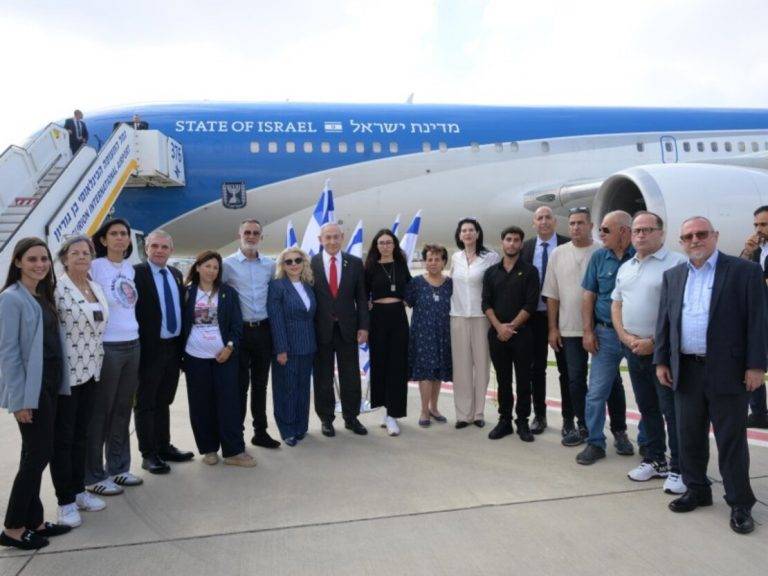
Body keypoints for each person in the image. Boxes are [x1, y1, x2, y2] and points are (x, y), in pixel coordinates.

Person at [655, 216, 767, 535]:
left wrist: (756, 366)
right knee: (688, 435)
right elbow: (665, 322)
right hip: (686, 370)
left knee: (731, 440)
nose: (695, 240)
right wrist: (662, 361)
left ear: (715, 236)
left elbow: (758, 321)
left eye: (701, 234)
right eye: (688, 236)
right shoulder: (674, 276)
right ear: (681, 242)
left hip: (729, 371)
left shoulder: (744, 271)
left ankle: (740, 502)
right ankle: (698, 490)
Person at [0, 238, 72, 550]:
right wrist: (20, 401)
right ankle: (13, 527)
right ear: (17, 262)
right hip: (31, 390)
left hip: (50, 385)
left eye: (44, 259)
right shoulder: (11, 299)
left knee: (39, 452)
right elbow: (9, 354)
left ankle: (36, 521)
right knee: (36, 456)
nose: (40, 264)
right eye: (32, 259)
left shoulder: (41, 295)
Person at [611, 212, 687, 494]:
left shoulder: (677, 263)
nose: (640, 235)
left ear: (661, 233)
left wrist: (654, 342)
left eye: (647, 230)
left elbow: (681, 312)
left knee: (672, 411)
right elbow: (616, 305)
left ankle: (680, 467)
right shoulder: (626, 267)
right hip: (632, 349)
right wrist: (625, 337)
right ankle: (656, 460)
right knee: (648, 409)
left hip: (662, 352)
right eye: (636, 231)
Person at [542, 208, 629, 448]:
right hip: (569, 329)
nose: (575, 228)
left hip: (601, 329)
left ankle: (619, 429)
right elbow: (552, 296)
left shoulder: (603, 252)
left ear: (591, 225)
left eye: (581, 223)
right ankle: (584, 426)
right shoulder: (558, 254)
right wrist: (552, 328)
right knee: (576, 380)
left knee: (611, 381)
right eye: (571, 223)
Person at [51, 236, 109, 528]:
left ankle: (78, 490)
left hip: (92, 371)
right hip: (66, 375)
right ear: (64, 258)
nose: (81, 257)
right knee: (63, 440)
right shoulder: (56, 289)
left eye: (86, 253)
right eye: (75, 253)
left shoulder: (95, 287)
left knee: (81, 436)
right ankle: (65, 502)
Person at [86, 218, 143, 495]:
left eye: (124, 233)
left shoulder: (130, 269)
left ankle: (119, 468)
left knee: (122, 410)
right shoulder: (95, 267)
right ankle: (94, 474)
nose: (120, 238)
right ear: (104, 240)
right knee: (102, 412)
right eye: (114, 234)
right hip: (108, 347)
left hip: (132, 343)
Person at [182, 251, 254, 467]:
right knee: (201, 405)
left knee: (229, 403)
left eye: (215, 267)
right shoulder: (186, 293)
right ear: (197, 267)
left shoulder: (227, 293)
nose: (211, 271)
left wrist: (230, 347)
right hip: (195, 358)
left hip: (224, 358)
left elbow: (236, 325)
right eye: (207, 266)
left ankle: (233, 451)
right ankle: (209, 449)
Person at [576, 210, 636, 465]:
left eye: (605, 230)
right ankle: (595, 442)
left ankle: (646, 442)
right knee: (597, 393)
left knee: (648, 394)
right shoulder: (599, 257)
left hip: (638, 338)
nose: (600, 235)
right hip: (606, 334)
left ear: (624, 231)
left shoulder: (642, 257)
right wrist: (588, 331)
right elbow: (588, 295)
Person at [133, 230, 193, 475]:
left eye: (164, 247)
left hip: (173, 348)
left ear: (171, 249)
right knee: (146, 403)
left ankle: (164, 446)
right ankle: (148, 454)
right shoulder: (136, 274)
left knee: (164, 401)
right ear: (146, 248)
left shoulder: (176, 274)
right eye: (154, 246)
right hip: (150, 348)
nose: (159, 251)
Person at [222, 219, 280, 449]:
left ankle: (261, 432)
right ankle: (237, 435)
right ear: (239, 235)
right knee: (239, 386)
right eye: (247, 232)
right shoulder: (227, 265)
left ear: (261, 237)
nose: (251, 236)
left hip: (263, 331)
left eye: (256, 233)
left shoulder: (269, 265)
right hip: (240, 333)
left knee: (260, 385)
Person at [310, 222, 369, 437]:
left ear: (342, 237)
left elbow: (361, 299)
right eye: (328, 237)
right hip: (321, 330)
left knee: (350, 376)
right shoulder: (311, 264)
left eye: (336, 237)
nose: (332, 241)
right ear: (320, 240)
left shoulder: (354, 263)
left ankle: (351, 417)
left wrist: (364, 327)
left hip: (348, 330)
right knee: (322, 377)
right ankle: (326, 419)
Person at [482, 226, 540, 441]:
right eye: (508, 239)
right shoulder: (491, 273)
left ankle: (523, 422)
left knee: (524, 380)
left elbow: (530, 304)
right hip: (497, 335)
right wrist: (499, 327)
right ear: (502, 243)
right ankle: (504, 420)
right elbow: (485, 304)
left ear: (521, 244)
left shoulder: (530, 271)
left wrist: (511, 326)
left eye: (516, 240)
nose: (512, 243)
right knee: (503, 380)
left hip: (522, 334)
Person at [521, 206, 570, 435]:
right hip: (534, 318)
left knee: (567, 370)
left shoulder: (567, 245)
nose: (544, 221)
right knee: (536, 369)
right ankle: (539, 415)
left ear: (555, 221)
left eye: (548, 217)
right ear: (534, 223)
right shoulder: (527, 247)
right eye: (539, 218)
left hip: (564, 318)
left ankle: (569, 419)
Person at [450, 218, 500, 428]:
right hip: (458, 316)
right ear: (460, 235)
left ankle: (478, 413)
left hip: (482, 318)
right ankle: (463, 414)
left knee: (481, 366)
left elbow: (497, 287)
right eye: (464, 231)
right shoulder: (455, 258)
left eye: (472, 230)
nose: (468, 234)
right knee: (461, 368)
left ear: (478, 233)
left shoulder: (491, 258)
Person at [267, 248, 317, 446]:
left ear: (304, 262)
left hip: (307, 346)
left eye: (298, 260)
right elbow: (276, 319)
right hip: (286, 347)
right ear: (283, 265)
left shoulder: (308, 286)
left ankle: (301, 426)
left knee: (303, 389)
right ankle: (287, 429)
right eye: (289, 262)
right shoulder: (277, 286)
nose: (294, 264)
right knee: (285, 389)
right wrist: (281, 349)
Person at [365, 229, 412, 436]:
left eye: (388, 242)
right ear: (376, 246)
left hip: (398, 317)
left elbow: (410, 290)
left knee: (397, 366)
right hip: (377, 318)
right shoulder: (370, 268)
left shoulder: (401, 265)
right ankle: (385, 411)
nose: (385, 246)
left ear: (394, 245)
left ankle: (393, 415)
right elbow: (362, 292)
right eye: (381, 242)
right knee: (380, 365)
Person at [405, 244, 452, 427]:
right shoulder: (415, 283)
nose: (433, 263)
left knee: (438, 372)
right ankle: (424, 410)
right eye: (429, 259)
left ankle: (434, 407)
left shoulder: (450, 284)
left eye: (437, 259)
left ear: (443, 262)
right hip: (423, 334)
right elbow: (404, 303)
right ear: (425, 262)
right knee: (425, 372)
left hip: (443, 334)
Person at [738, 205, 768, 429]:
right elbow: (739, 276)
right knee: (754, 360)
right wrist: (747, 252)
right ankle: (759, 412)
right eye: (756, 224)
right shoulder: (758, 250)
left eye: (764, 225)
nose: (759, 230)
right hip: (759, 315)